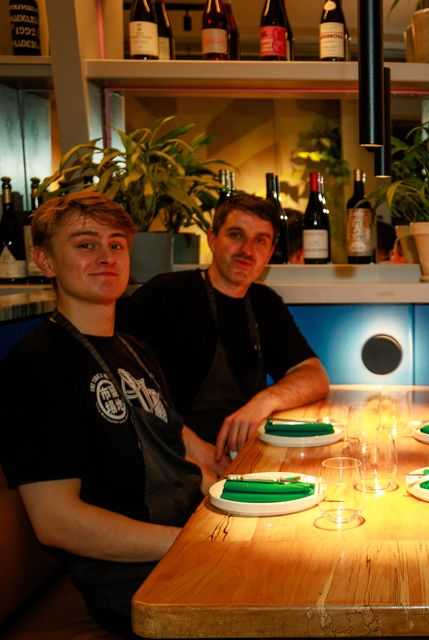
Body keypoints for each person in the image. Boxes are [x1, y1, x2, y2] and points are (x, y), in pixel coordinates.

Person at [0, 192, 218, 636]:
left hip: (182, 547)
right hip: (129, 584)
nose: (106, 257)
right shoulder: (40, 363)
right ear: (44, 261)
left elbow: (179, 455)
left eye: (116, 244)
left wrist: (236, 504)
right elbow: (57, 524)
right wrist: (192, 545)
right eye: (85, 244)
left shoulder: (135, 349)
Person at [120, 193, 330, 461]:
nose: (248, 250)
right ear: (212, 239)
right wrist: (193, 449)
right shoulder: (166, 294)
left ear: (270, 250)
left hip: (242, 452)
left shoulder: (265, 303)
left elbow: (314, 375)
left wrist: (264, 401)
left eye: (260, 241)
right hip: (171, 455)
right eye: (236, 235)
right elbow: (126, 386)